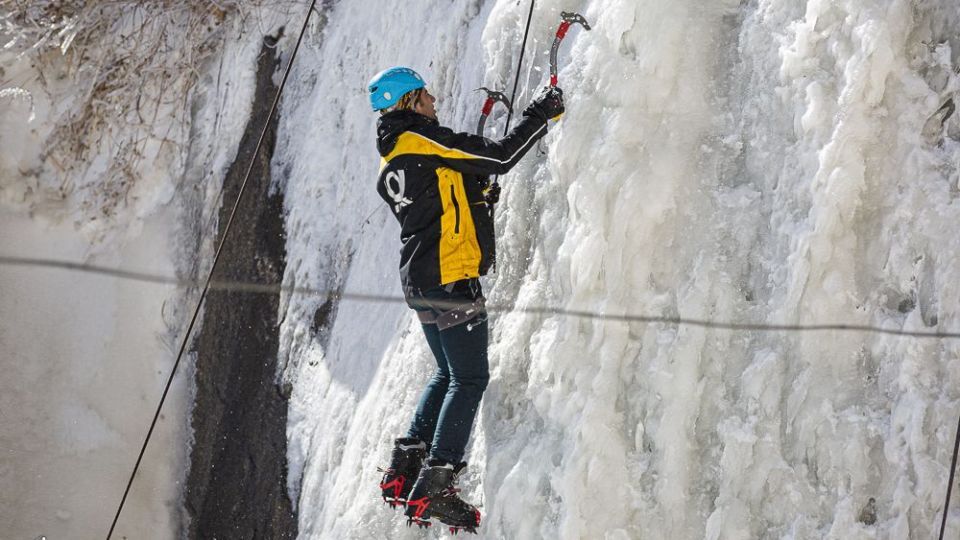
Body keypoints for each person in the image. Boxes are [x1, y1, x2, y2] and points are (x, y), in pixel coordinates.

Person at [370, 66, 564, 532]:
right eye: (426, 95)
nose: (434, 100)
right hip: (450, 280)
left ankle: (406, 465)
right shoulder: (424, 142)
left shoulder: (394, 156)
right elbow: (498, 158)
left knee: (447, 372)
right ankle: (436, 481)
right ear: (410, 102)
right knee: (471, 377)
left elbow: (440, 196)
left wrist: (474, 194)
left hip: (419, 284)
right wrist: (544, 113)